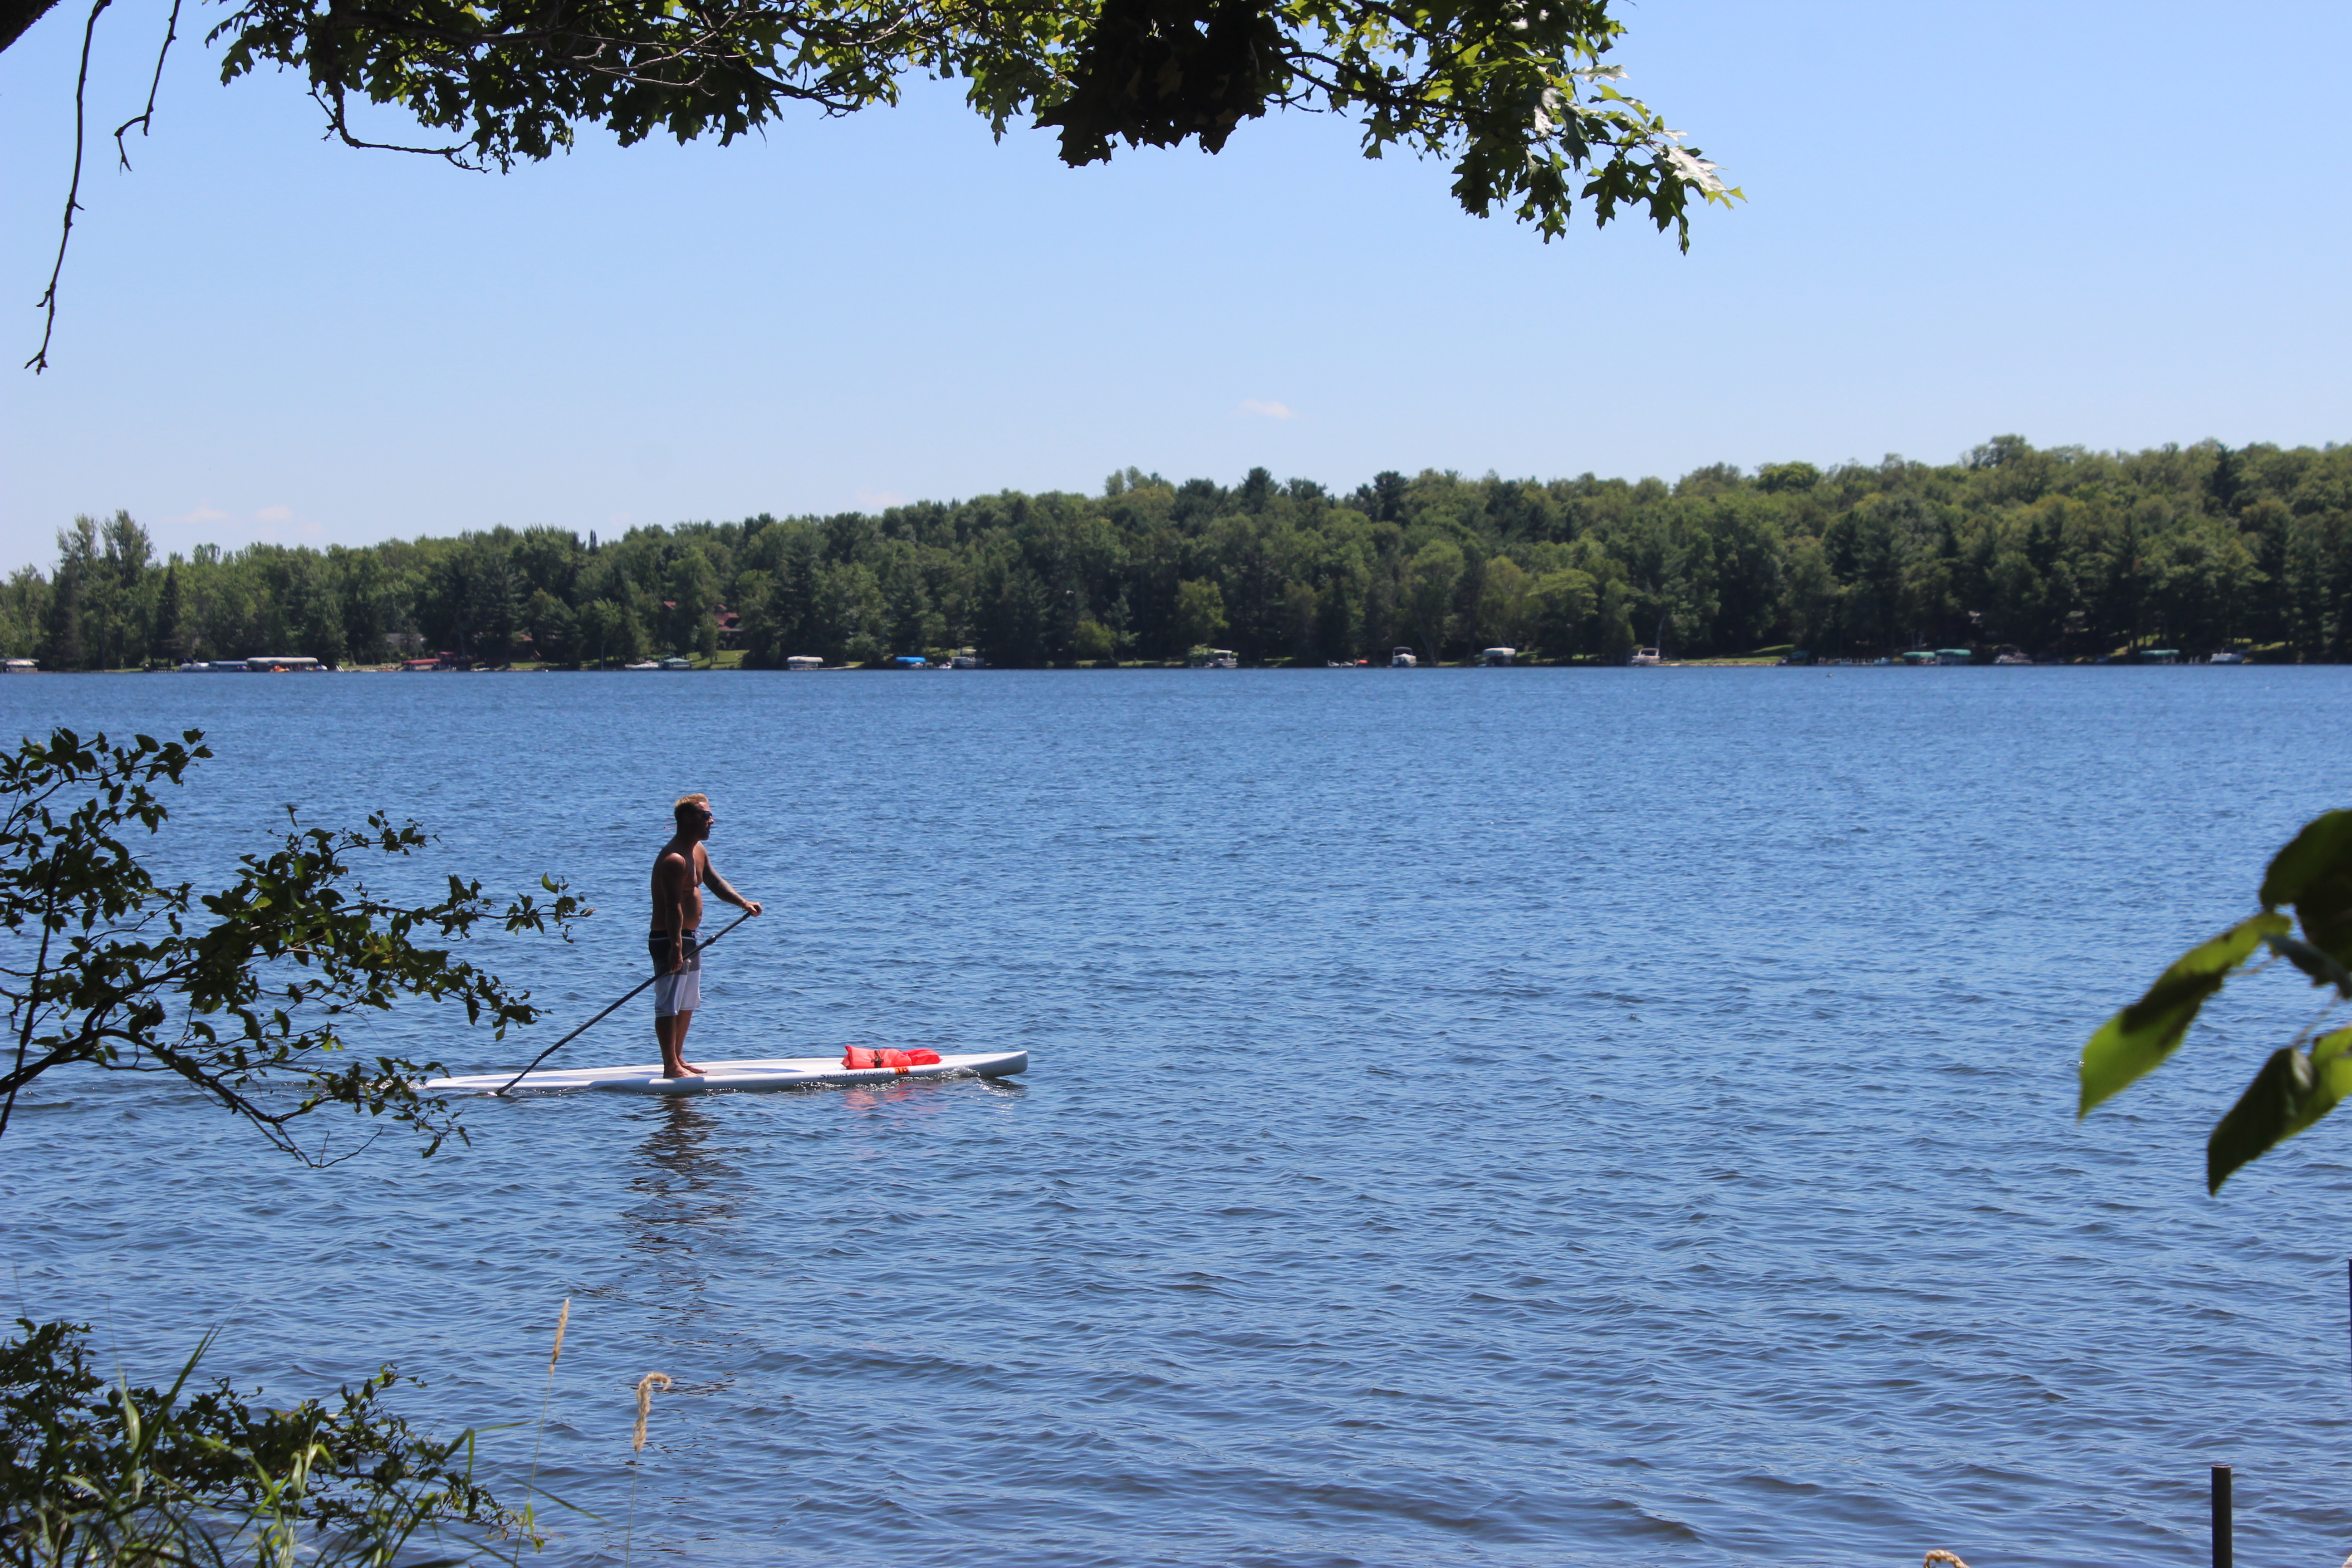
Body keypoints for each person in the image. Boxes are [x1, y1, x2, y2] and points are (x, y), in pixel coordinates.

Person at [650, 793, 761, 1078]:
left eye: (710, 815)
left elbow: (713, 880)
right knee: (669, 1002)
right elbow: (673, 906)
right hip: (669, 939)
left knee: (688, 1001)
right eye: (705, 816)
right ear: (688, 819)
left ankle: (679, 1057)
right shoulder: (674, 859)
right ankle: (670, 1066)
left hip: (690, 937)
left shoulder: (697, 850)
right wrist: (675, 947)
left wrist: (743, 902)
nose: (711, 821)